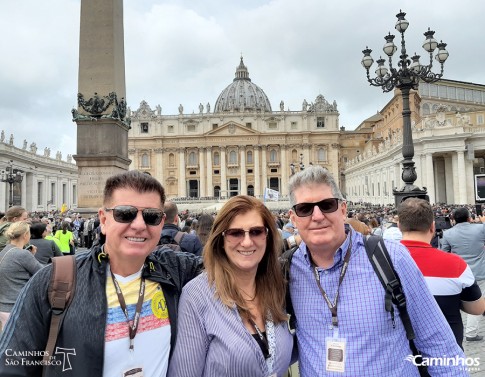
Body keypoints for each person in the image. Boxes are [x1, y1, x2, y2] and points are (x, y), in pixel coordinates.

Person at [0, 170, 202, 376]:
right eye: (125, 214)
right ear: (104, 220)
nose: (139, 225)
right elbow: (12, 364)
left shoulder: (175, 269)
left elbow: (226, 265)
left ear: (162, 222)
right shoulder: (53, 280)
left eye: (151, 216)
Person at [287, 166, 468, 376]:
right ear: (293, 218)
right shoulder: (289, 269)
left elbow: (439, 345)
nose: (317, 216)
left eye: (327, 205)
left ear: (343, 209)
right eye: (304, 209)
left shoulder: (392, 257)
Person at [168, 195, 294, 377]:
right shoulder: (197, 295)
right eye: (235, 233)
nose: (247, 242)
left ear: (268, 237)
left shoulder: (274, 285)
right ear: (221, 239)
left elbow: (275, 355)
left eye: (256, 231)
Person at [398, 198, 485, 348]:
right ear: (432, 227)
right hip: (445, 350)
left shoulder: (379, 259)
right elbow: (477, 309)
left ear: (399, 226)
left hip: (399, 353)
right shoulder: (455, 264)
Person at [440, 206, 485, 342]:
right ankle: (471, 333)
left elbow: (444, 254)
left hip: (459, 272)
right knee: (476, 299)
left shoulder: (448, 233)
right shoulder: (480, 228)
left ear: (454, 219)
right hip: (480, 271)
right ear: (469, 218)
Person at [0, 221, 42, 330]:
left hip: (4, 306)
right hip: (17, 306)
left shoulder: (4, 251)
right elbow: (42, 272)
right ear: (25, 235)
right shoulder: (22, 254)